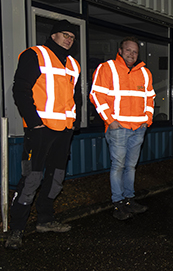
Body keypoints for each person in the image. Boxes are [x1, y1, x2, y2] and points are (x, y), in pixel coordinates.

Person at [5, 19, 81, 249]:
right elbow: (20, 89)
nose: (69, 39)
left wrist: (74, 122)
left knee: (56, 177)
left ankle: (45, 221)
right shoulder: (35, 54)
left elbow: (74, 97)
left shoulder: (73, 64)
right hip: (39, 131)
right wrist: (34, 123)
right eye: (65, 34)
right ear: (53, 35)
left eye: (72, 37)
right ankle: (16, 229)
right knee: (31, 178)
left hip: (64, 130)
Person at [90, 37, 155, 220]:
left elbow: (150, 98)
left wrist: (147, 120)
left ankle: (129, 200)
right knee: (118, 166)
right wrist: (110, 121)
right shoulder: (107, 68)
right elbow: (96, 95)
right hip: (118, 127)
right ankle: (118, 203)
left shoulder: (144, 73)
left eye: (135, 51)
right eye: (128, 50)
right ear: (120, 50)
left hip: (139, 128)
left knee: (131, 167)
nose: (132, 54)